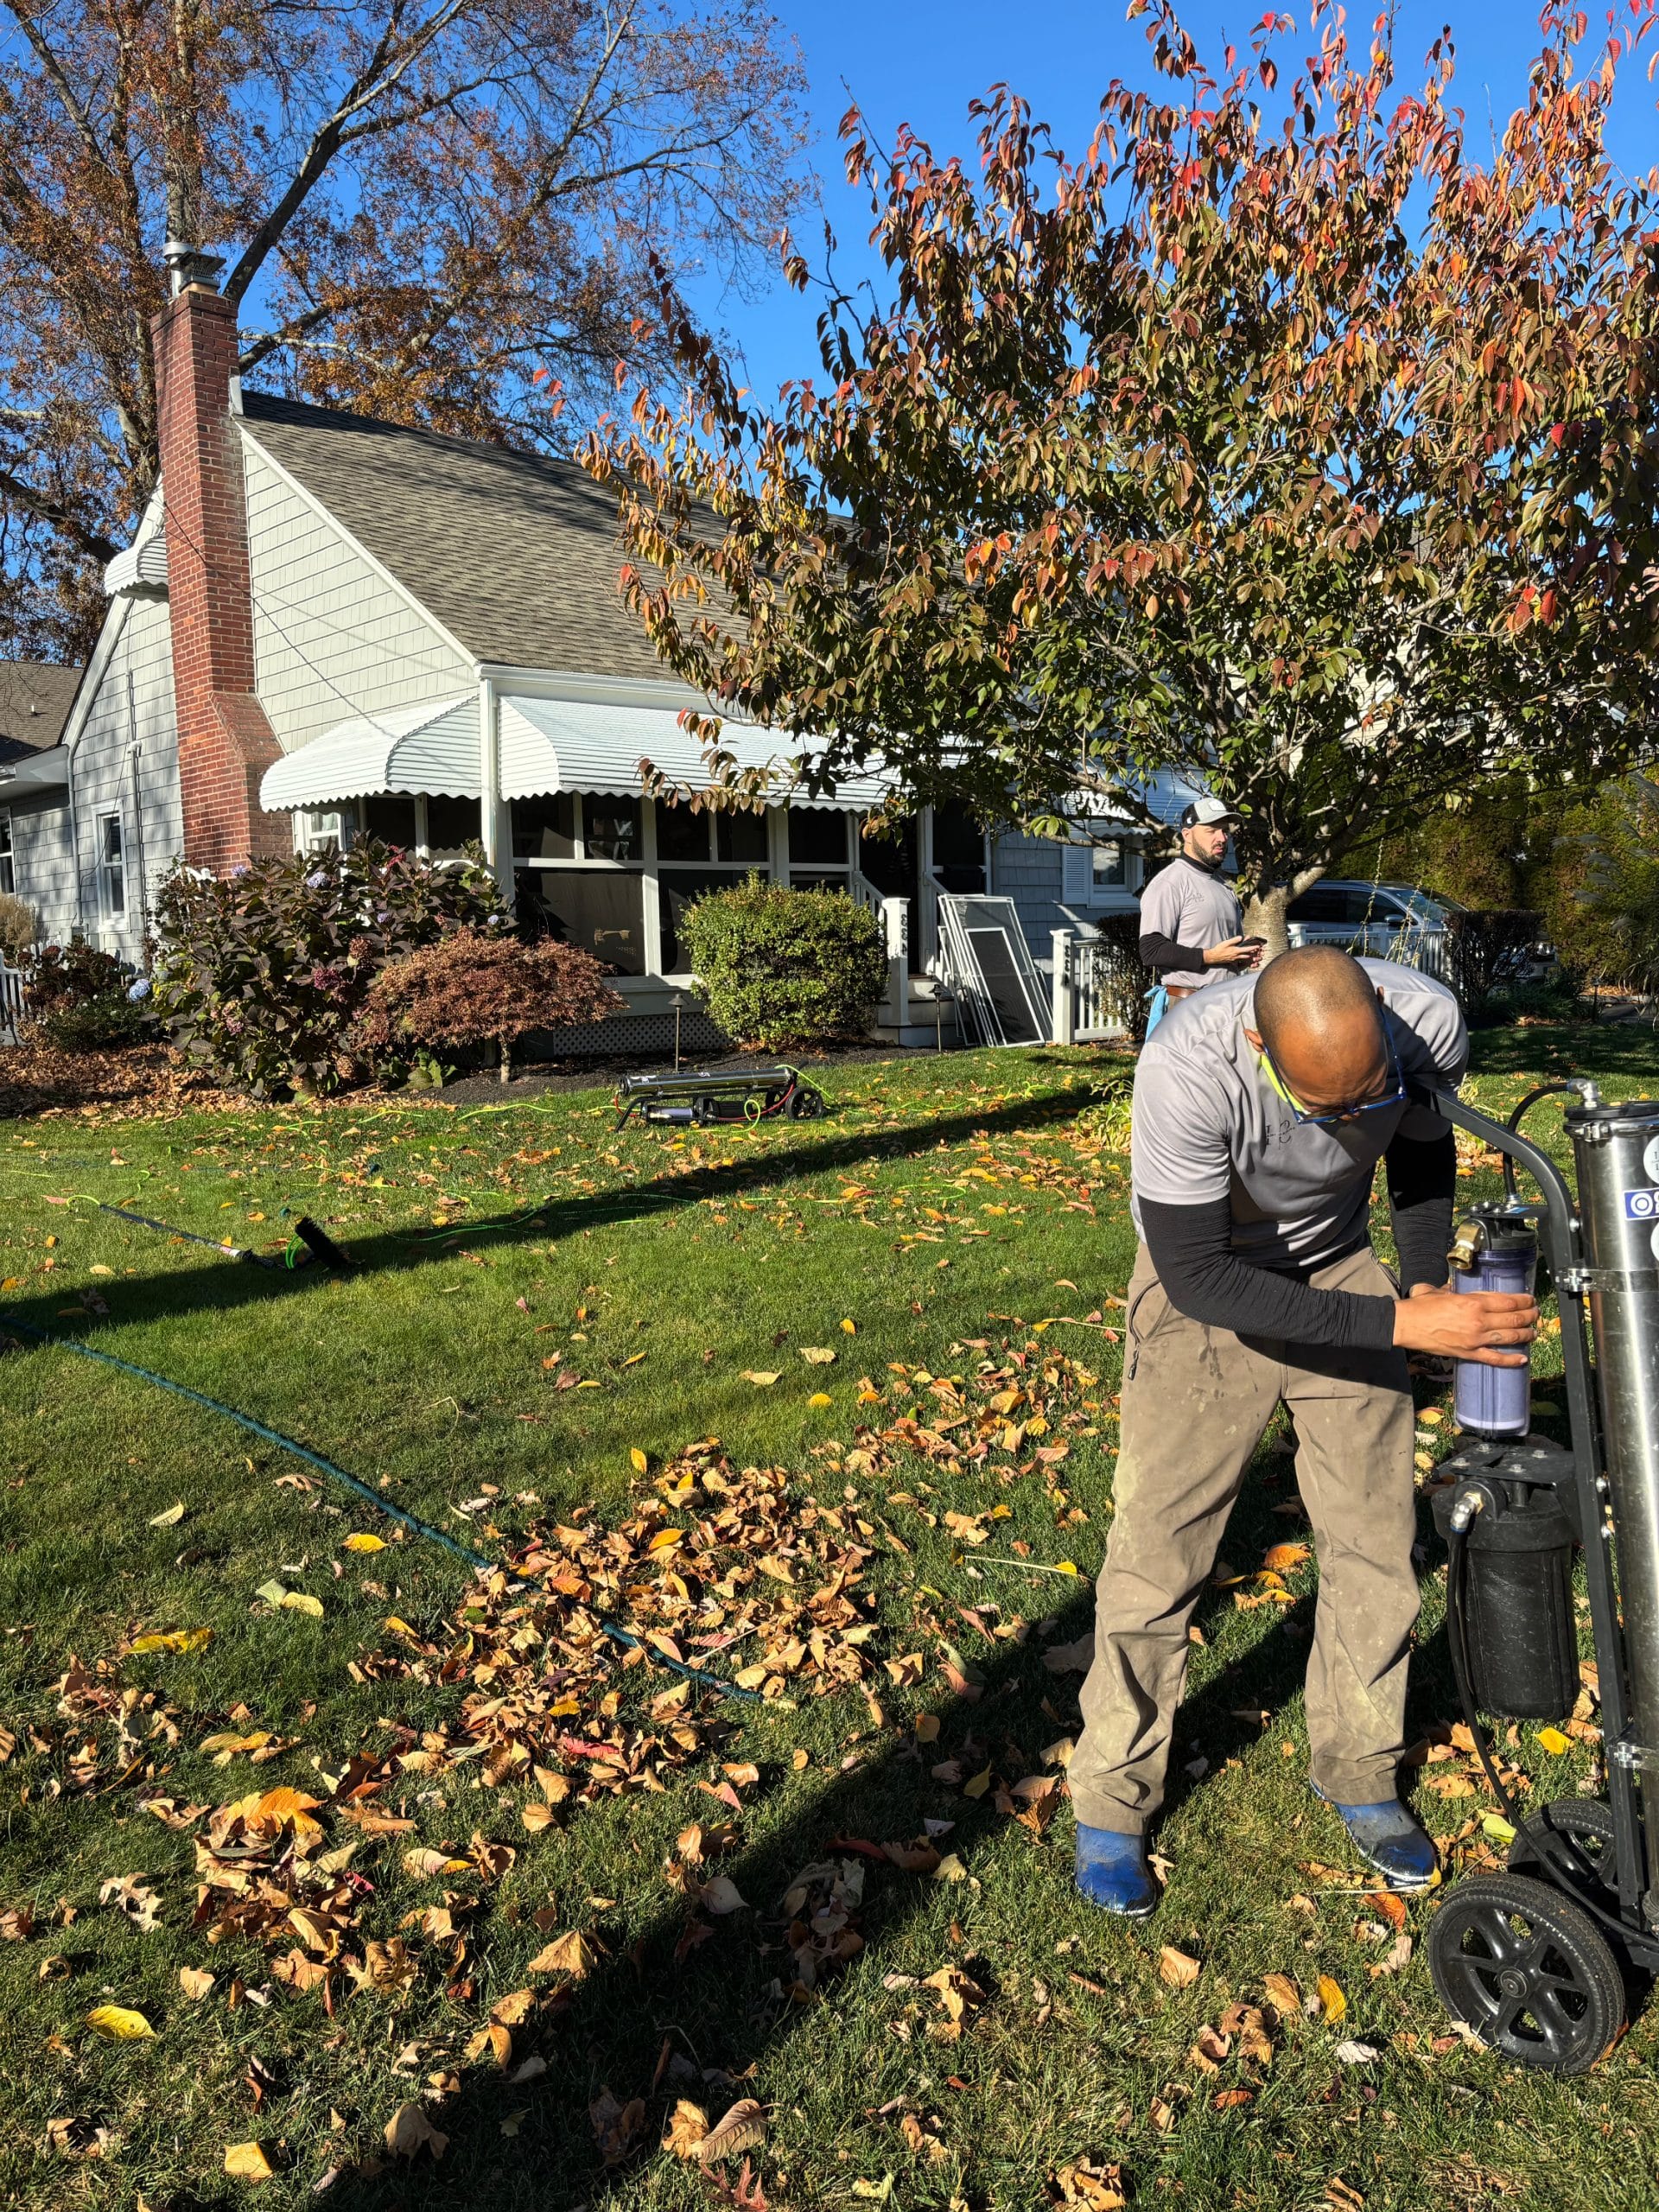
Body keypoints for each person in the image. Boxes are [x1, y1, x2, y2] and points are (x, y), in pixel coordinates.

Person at [1070, 945, 1539, 1915]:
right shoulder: (1187, 1069)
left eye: (1366, 1091)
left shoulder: (1428, 1019)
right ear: (1258, 1043)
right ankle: (1112, 1800)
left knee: (1374, 1542)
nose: (1347, 1123)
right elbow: (1198, 1275)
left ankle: (1360, 1768)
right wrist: (1408, 1326)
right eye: (1324, 1108)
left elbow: (1415, 1147)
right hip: (1209, 1286)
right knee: (1159, 1555)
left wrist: (1417, 1281)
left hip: (1338, 1267)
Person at [1137, 797, 1260, 1033]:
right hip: (1189, 1007)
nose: (1222, 838)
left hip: (1227, 1005)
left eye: (1224, 831)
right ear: (1187, 834)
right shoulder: (1170, 882)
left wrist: (1238, 957)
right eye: (1212, 830)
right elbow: (1151, 950)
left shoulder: (1224, 885)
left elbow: (1216, 952)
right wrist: (1211, 957)